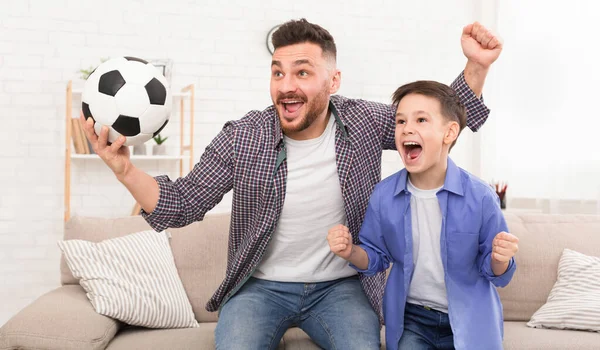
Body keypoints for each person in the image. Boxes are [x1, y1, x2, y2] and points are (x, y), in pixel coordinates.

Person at [81, 18, 502, 350]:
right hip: (260, 288)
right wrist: (123, 170)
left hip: (341, 287)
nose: (286, 86)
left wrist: (476, 67)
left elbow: (431, 117)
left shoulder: (363, 121)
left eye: (302, 72)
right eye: (278, 72)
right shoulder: (244, 136)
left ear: (333, 82)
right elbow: (182, 203)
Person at [327, 80, 519, 350]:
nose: (407, 128)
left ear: (449, 132)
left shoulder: (481, 196)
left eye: (421, 120)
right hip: (412, 320)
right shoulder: (384, 195)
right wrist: (349, 251)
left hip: (469, 319)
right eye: (400, 121)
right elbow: (375, 258)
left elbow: (497, 273)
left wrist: (501, 258)